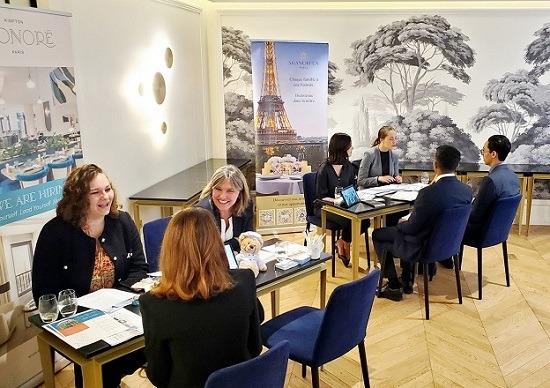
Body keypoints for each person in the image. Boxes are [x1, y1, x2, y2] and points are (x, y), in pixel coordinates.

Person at [32, 164, 149, 388]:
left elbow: (139, 268)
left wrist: (118, 297)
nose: (105, 197)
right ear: (77, 198)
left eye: (107, 189)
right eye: (95, 192)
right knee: (100, 365)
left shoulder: (122, 222)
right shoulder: (54, 234)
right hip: (79, 319)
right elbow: (44, 292)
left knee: (155, 340)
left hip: (121, 311)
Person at [139, 207, 262, 387]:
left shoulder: (154, 304)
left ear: (168, 251)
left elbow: (159, 375)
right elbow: (255, 346)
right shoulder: (244, 280)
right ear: (217, 243)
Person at [372, 145, 473, 300]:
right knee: (405, 230)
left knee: (379, 234)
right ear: (456, 166)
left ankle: (393, 284)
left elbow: (412, 228)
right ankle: (407, 277)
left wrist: (401, 222)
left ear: (435, 165)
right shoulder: (466, 190)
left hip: (423, 246)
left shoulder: (428, 193)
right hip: (448, 244)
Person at [315, 133, 369, 267]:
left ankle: (343, 242)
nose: (352, 148)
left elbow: (352, 188)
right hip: (324, 207)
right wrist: (336, 202)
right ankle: (345, 246)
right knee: (349, 219)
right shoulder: (324, 169)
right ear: (342, 148)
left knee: (365, 220)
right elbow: (321, 197)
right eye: (350, 146)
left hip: (344, 206)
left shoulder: (348, 166)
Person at [464, 134, 520, 242]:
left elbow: (475, 215)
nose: (482, 154)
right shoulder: (513, 176)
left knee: (447, 226)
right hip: (500, 231)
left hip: (481, 233)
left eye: (484, 151)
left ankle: (443, 259)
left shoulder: (491, 180)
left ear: (493, 154)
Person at [196, 164, 254, 252]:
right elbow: (205, 250)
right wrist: (235, 241)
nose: (223, 196)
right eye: (218, 189)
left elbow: (248, 241)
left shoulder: (246, 206)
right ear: (212, 189)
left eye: (230, 191)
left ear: (240, 193)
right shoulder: (201, 213)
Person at [357, 125, 406, 227]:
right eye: (391, 139)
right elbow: (360, 181)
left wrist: (398, 178)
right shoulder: (370, 154)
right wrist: (378, 179)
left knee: (402, 209)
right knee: (393, 211)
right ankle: (386, 237)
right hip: (371, 194)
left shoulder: (394, 155)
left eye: (395, 138)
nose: (394, 141)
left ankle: (391, 238)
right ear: (381, 139)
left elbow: (396, 175)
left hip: (387, 193)